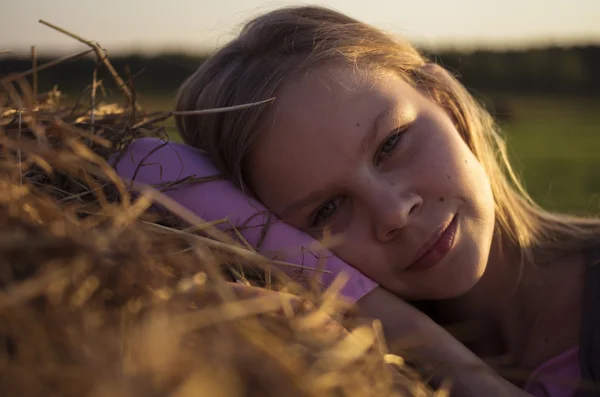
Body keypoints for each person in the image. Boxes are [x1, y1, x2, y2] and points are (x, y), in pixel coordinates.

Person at [115, 6, 600, 397]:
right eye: (327, 209)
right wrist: (398, 325)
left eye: (392, 143)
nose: (392, 213)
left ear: (447, 102)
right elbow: (143, 161)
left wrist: (463, 372)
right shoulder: (352, 366)